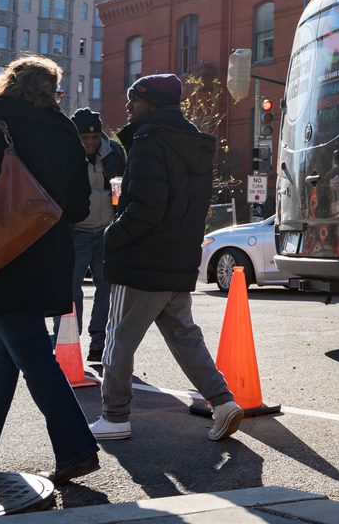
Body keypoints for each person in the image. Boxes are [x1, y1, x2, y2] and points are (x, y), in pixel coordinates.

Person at [0, 56, 100, 484]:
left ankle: (77, 448)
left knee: (32, 353)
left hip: (4, 252)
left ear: (8, 82)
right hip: (50, 252)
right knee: (8, 350)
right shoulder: (66, 130)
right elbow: (79, 206)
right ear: (52, 89)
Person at [90, 73, 243, 442]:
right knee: (184, 336)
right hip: (177, 260)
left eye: (134, 100)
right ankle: (223, 402)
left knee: (118, 339)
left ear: (152, 103)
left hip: (142, 261)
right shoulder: (194, 145)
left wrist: (111, 237)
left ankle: (114, 417)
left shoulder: (149, 141)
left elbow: (145, 207)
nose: (128, 107)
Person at [56, 108, 126, 363]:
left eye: (94, 137)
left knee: (105, 289)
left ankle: (98, 343)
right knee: (70, 291)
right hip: (76, 233)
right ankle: (65, 341)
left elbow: (126, 187)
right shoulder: (64, 155)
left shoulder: (114, 153)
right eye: (84, 138)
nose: (90, 143)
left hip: (107, 231)